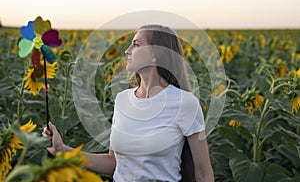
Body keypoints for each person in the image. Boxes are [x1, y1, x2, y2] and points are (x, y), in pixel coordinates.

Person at [43, 25, 214, 182]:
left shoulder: (185, 103)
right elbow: (113, 163)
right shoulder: (122, 100)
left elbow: (203, 174)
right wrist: (63, 150)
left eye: (136, 44)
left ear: (156, 54)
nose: (127, 51)